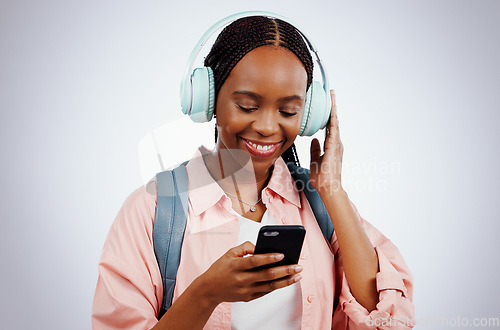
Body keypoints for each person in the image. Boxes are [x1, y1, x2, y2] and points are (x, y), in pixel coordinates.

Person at [92, 13, 415, 329]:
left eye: (289, 111)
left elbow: (386, 319)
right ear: (209, 99)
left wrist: (333, 190)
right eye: (247, 106)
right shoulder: (152, 208)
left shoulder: (320, 206)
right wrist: (206, 295)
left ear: (308, 116)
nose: (265, 127)